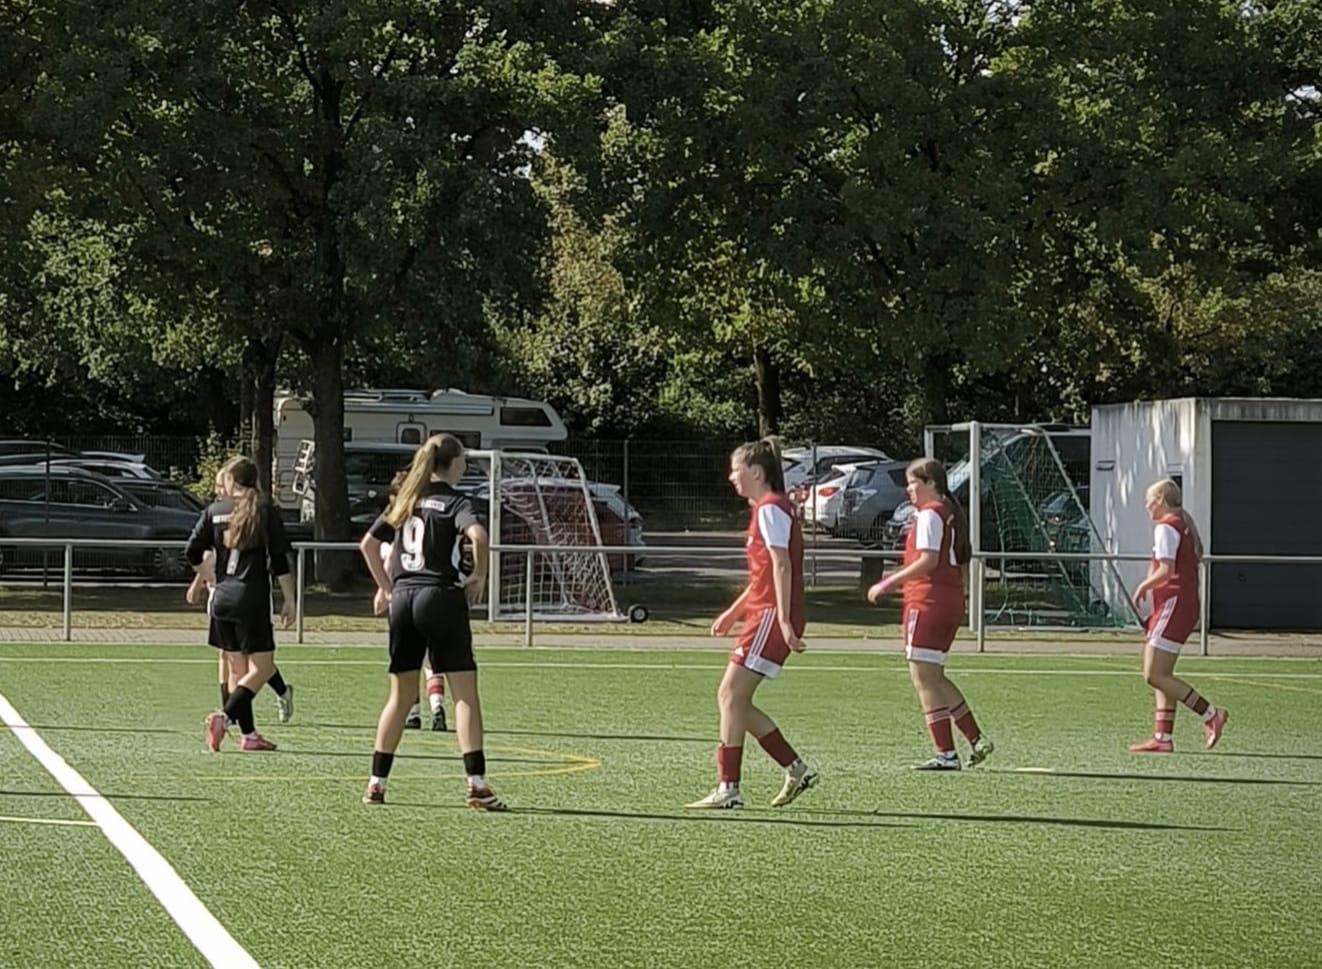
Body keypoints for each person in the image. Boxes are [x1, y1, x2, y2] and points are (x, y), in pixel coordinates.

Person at [358, 434, 502, 809]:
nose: (465, 465)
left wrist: (387, 588)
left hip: (404, 600)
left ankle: (376, 784)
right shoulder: (456, 501)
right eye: (463, 459)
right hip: (440, 597)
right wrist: (479, 576)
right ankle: (477, 784)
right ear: (452, 463)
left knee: (401, 696)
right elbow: (479, 536)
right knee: (464, 694)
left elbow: (368, 545)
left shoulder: (407, 499)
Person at [687, 438, 817, 810]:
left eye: (736, 469)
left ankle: (729, 788)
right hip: (765, 614)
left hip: (770, 617)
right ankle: (794, 768)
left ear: (756, 472)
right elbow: (764, 577)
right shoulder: (769, 508)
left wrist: (785, 621)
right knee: (736, 701)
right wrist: (733, 613)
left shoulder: (770, 508)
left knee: (730, 696)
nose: (731, 477)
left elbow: (782, 566)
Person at [867, 458, 993, 771]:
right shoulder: (947, 512)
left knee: (923, 678)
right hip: (947, 601)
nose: (908, 489)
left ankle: (946, 754)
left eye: (914, 483)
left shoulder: (929, 514)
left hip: (928, 602)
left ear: (932, 484)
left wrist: (887, 582)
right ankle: (976, 739)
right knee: (934, 677)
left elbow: (928, 560)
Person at [188, 457, 296, 752]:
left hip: (222, 598)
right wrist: (290, 599)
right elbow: (279, 560)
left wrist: (205, 574)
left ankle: (248, 735)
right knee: (262, 667)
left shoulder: (214, 511)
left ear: (231, 480)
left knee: (237, 670)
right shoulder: (264, 511)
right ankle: (224, 718)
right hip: (251, 598)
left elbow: (192, 550)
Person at [1128, 478, 1227, 753]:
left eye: (1149, 499)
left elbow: (1167, 571)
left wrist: (1143, 586)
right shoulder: (1180, 524)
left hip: (1174, 605)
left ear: (1160, 499)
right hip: (1178, 605)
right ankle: (1163, 737)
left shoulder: (1166, 527)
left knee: (1153, 674)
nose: (1146, 505)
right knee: (1163, 674)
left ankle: (1211, 714)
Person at [376, 470, 449, 733]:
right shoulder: (433, 515)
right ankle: (437, 706)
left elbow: (382, 554)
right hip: (431, 596)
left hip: (404, 597)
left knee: (408, 660)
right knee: (431, 658)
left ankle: (413, 712)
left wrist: (382, 590)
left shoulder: (398, 520)